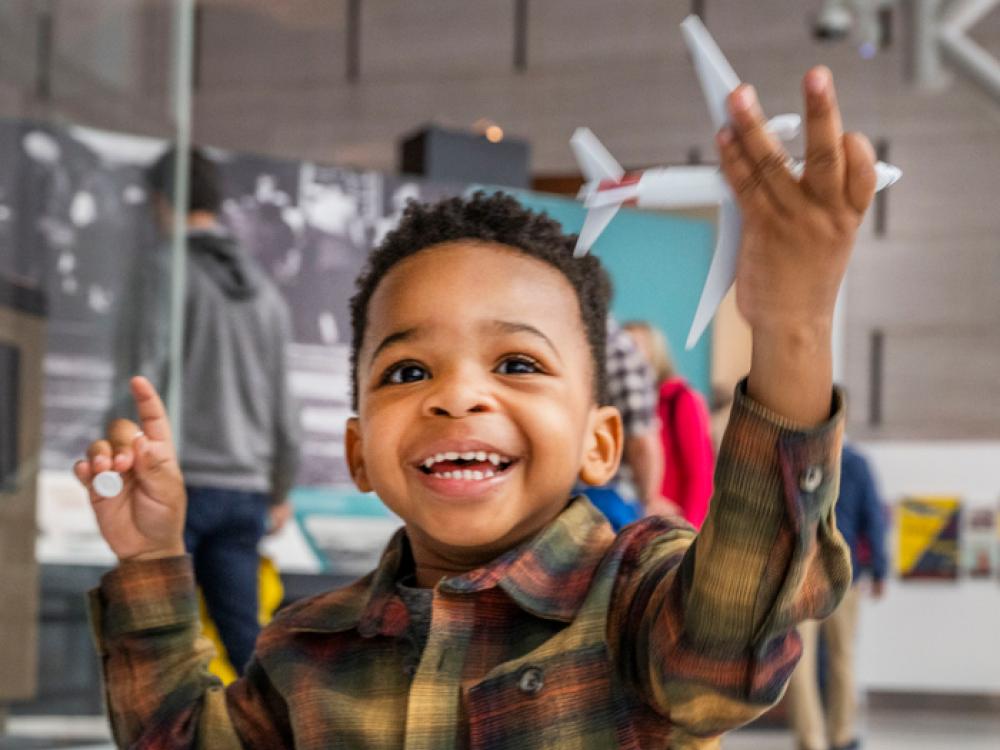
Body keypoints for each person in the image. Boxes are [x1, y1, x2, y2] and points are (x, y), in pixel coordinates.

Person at [77, 67, 875, 748]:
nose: (457, 394)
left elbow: (732, 636)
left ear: (600, 443)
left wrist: (794, 328)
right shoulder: (305, 651)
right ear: (358, 452)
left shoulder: (639, 604)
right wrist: (149, 564)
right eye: (407, 370)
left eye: (518, 363)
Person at [116, 147, 302, 676]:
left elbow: (139, 378)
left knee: (157, 644)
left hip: (177, 485)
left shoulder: (162, 271)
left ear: (159, 201)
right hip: (246, 490)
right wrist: (281, 488)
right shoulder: (261, 288)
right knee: (244, 641)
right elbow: (284, 406)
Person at [785, 441, 888, 750]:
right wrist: (879, 569)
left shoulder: (795, 458)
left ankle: (810, 739)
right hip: (844, 574)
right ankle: (841, 735)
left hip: (800, 576)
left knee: (799, 662)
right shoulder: (856, 462)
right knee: (842, 657)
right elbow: (874, 517)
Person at [622, 321, 715, 529]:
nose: (625, 355)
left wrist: (691, 530)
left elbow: (700, 473)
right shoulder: (624, 404)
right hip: (635, 520)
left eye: (634, 346)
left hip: (673, 522)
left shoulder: (681, 400)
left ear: (654, 353)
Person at [580, 316, 666, 530]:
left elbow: (641, 442)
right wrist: (649, 499)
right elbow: (642, 441)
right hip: (608, 498)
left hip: (607, 498)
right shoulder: (619, 350)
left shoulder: (611, 347)